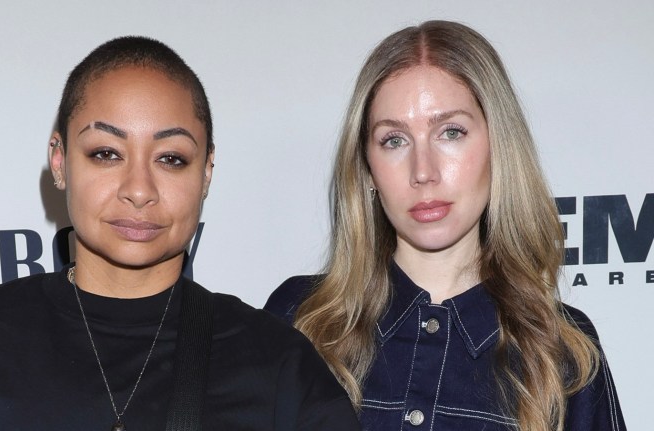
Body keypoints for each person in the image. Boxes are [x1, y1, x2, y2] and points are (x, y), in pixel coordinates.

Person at [0, 36, 360, 431]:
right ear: (59, 159)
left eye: (171, 158)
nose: (139, 190)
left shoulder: (277, 364)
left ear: (207, 172)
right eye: (106, 153)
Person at [265, 20, 625, 431]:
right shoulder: (299, 318)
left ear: (499, 148)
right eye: (394, 140)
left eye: (450, 132)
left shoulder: (563, 350)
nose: (423, 172)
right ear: (367, 168)